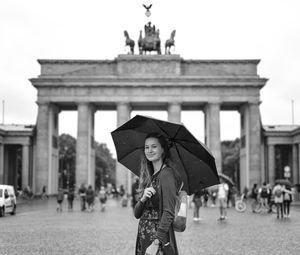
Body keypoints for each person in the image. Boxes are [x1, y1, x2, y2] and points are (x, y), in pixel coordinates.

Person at [134, 132, 181, 255]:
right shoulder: (149, 176)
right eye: (146, 147)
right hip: (144, 235)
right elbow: (137, 214)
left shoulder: (167, 174)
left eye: (154, 146)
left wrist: (156, 243)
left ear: (163, 150)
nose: (149, 150)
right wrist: (143, 198)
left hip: (157, 238)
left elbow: (169, 212)